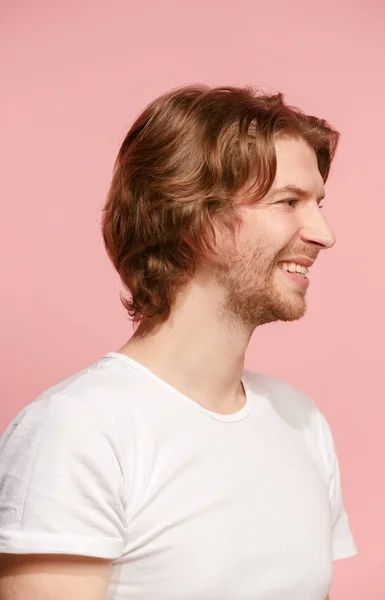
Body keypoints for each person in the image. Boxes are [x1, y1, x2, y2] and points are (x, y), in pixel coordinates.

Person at [0, 85, 358, 600]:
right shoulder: (78, 430)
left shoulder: (301, 421)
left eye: (318, 203)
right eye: (289, 202)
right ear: (193, 217)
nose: (324, 234)